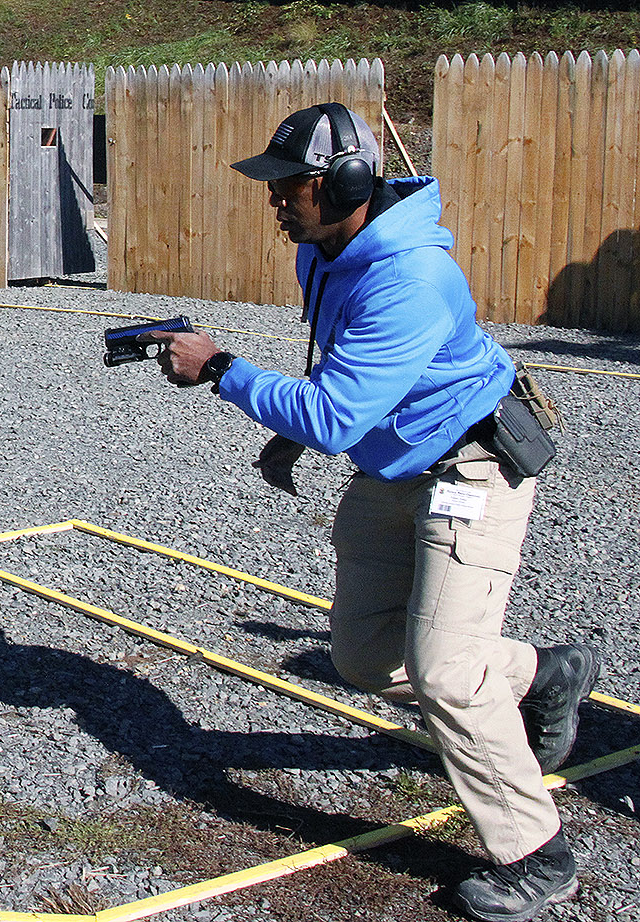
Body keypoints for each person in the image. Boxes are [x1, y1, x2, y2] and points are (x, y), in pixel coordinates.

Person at [149, 102, 602, 922]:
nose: (277, 200)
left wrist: (224, 369)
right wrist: (293, 423)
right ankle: (543, 674)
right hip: (395, 463)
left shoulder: (410, 277)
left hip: (473, 466)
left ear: (349, 182)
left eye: (293, 186)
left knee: (448, 675)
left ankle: (539, 856)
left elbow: (336, 413)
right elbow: (338, 378)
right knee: (363, 657)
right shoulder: (325, 250)